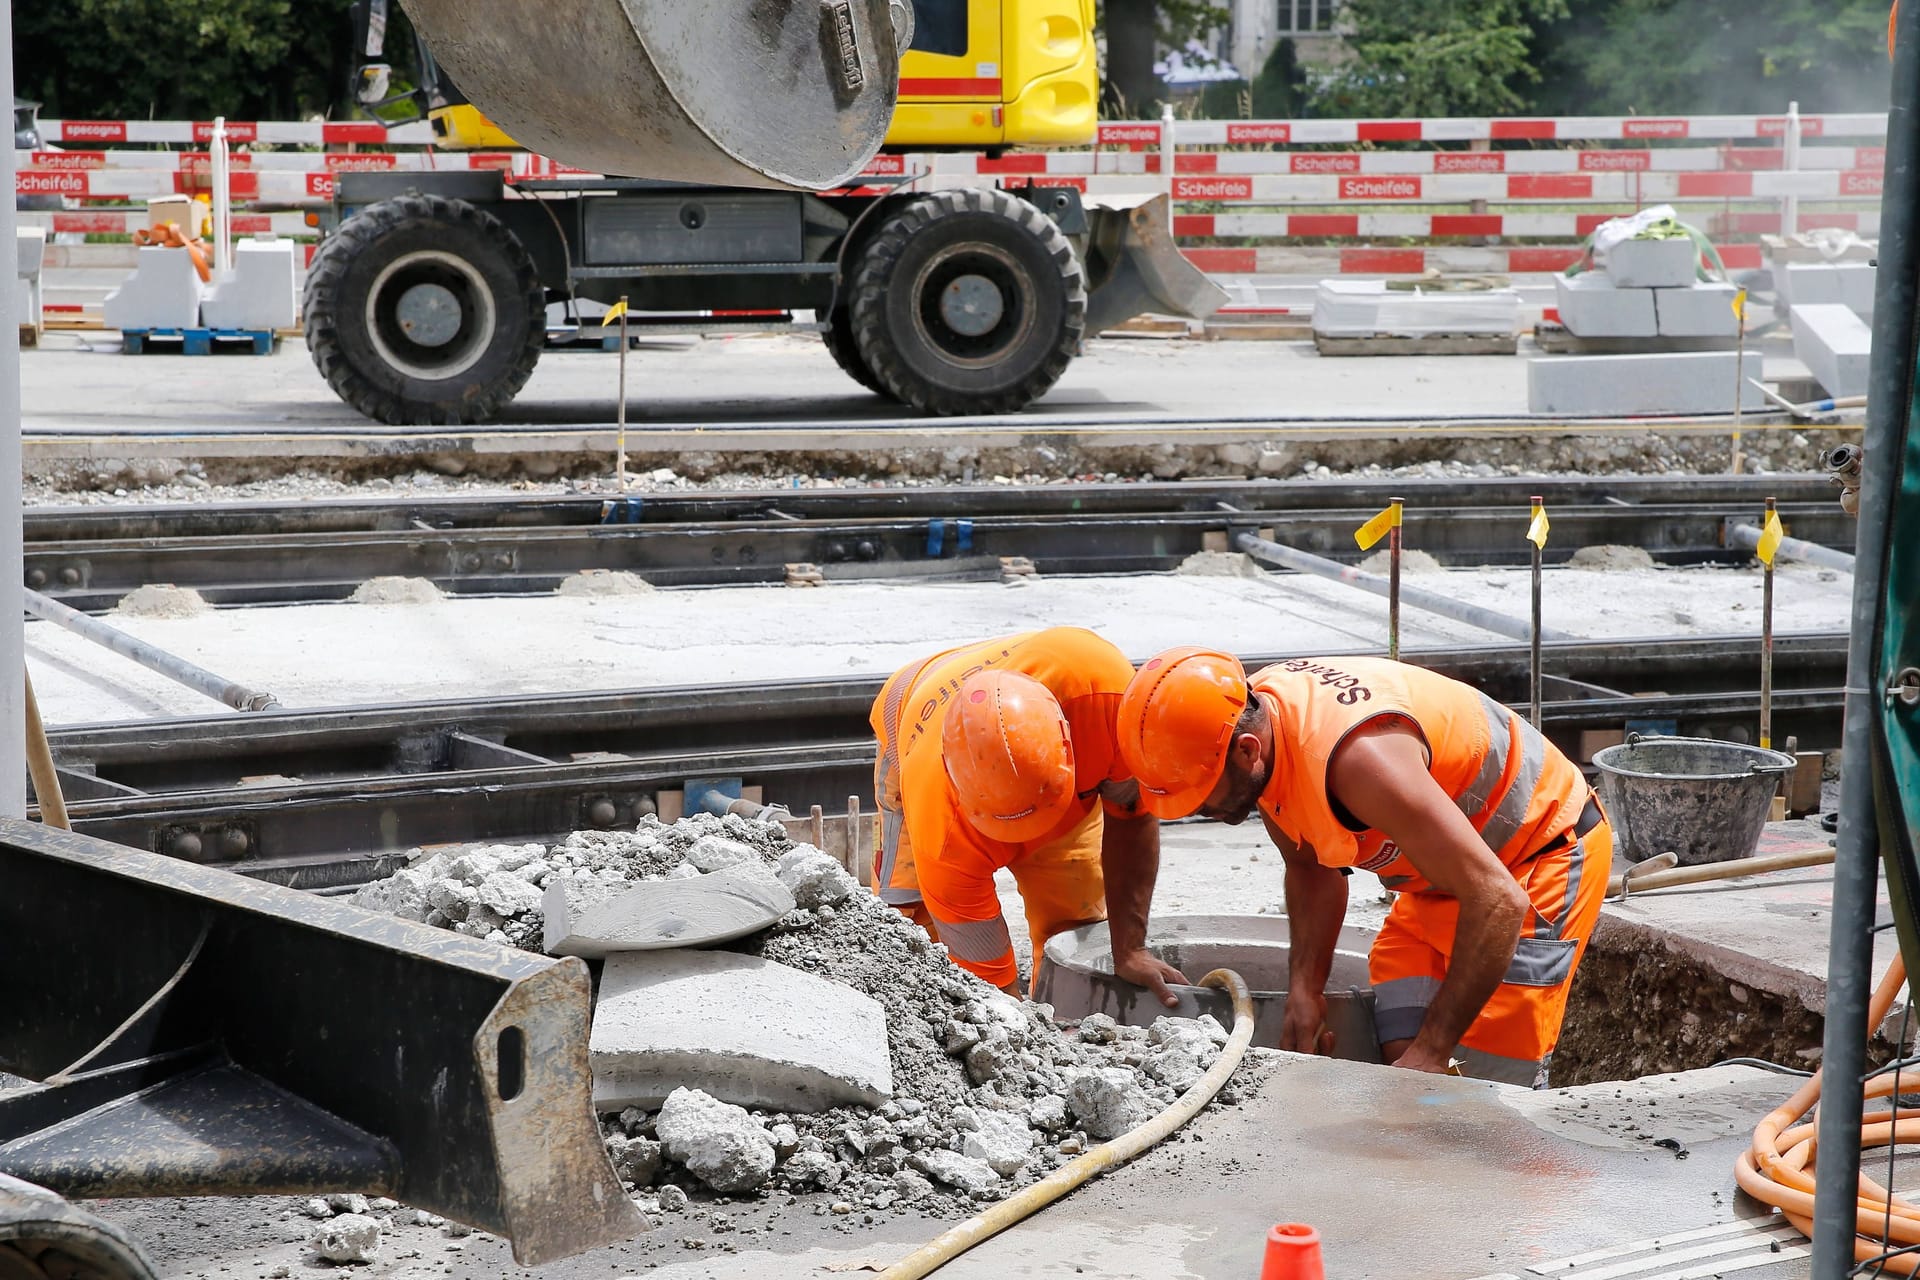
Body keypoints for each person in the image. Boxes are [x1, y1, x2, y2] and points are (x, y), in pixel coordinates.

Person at [1116, 648, 1612, 1087]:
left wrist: (1434, 1052)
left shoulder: (1359, 762)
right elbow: (1310, 867)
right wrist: (1305, 992)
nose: (1204, 811)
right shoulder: (1260, 727)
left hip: (1536, 857)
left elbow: (1499, 900)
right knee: (1399, 1044)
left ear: (1248, 753)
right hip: (1439, 875)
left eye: (1203, 795)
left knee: (1487, 1083)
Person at [870, 627, 1187, 1003]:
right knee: (908, 926)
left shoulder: (1110, 702)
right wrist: (1011, 1030)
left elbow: (1132, 817)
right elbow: (985, 979)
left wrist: (1130, 948)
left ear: (1068, 745)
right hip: (910, 697)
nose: (1027, 840)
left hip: (1065, 714)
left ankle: (1065, 1005)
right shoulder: (941, 831)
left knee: (1075, 926)